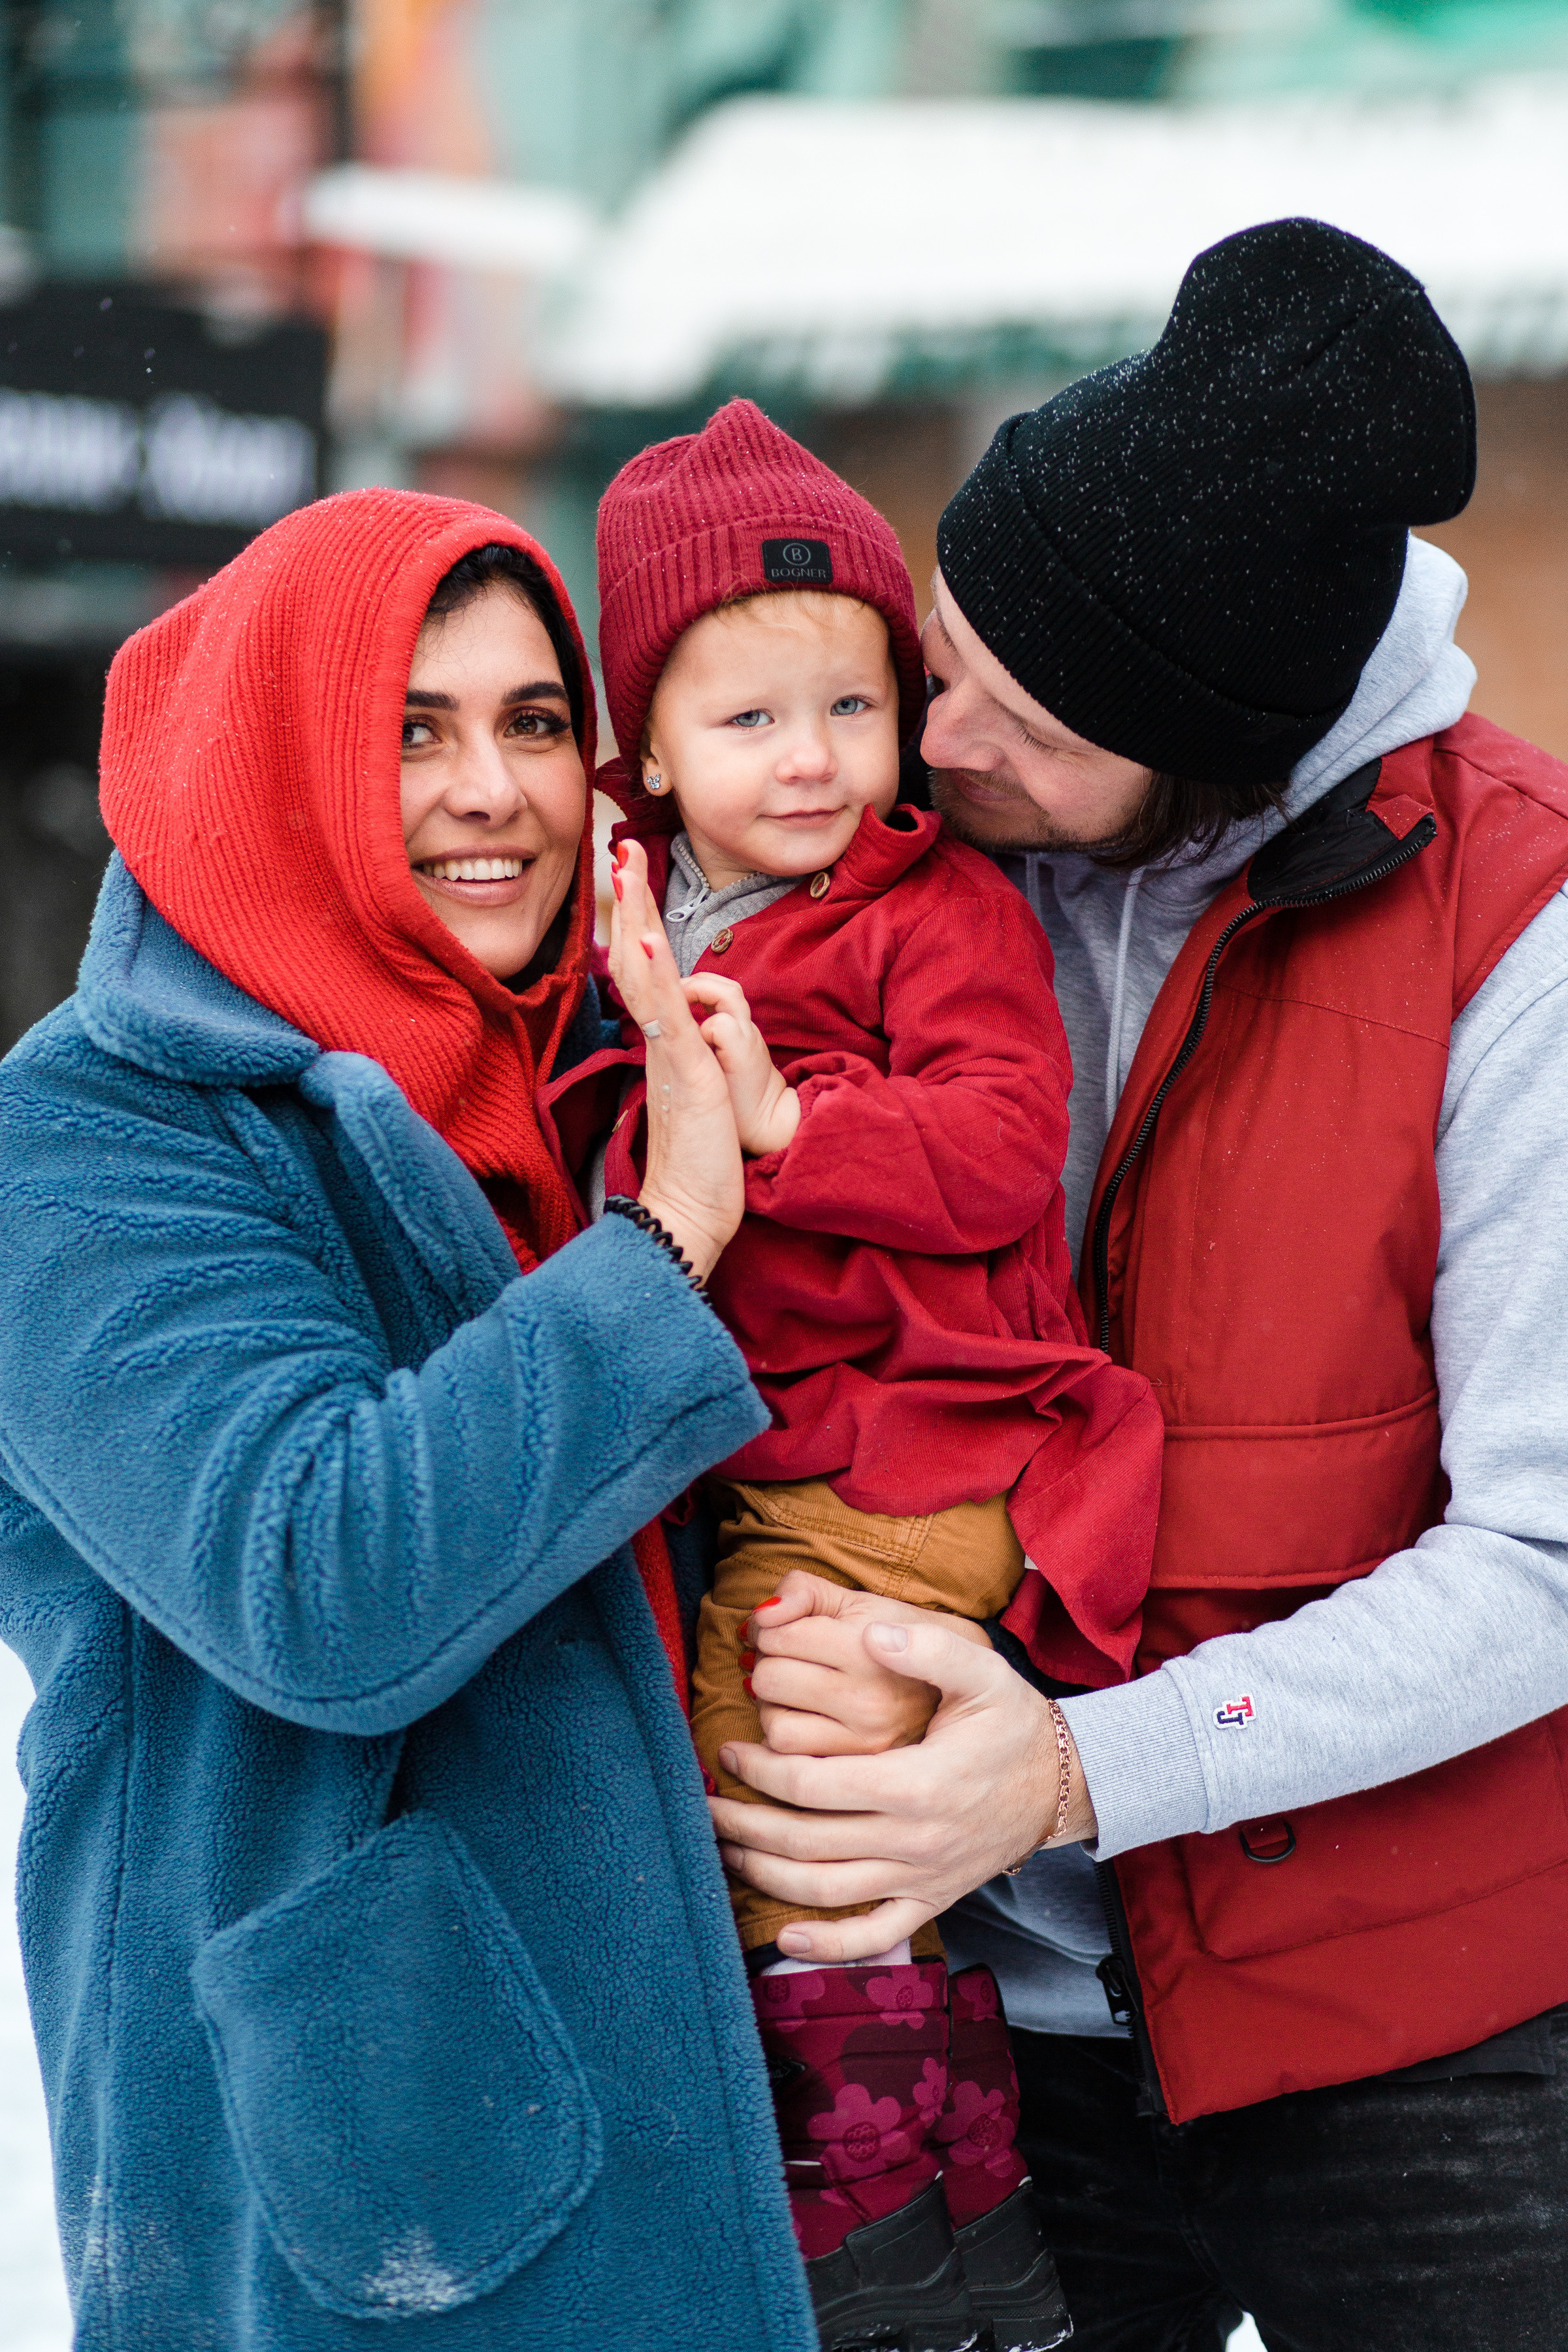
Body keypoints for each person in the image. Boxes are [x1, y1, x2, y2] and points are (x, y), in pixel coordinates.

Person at [711, 220, 1568, 2349]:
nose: (937, 730)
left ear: (1214, 744)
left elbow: (1547, 1558)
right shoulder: (896, 866)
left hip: (1417, 2030)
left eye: (1032, 716)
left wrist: (1079, 1771)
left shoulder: (1521, 929)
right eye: (942, 640)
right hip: (978, 2021)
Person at [0, 489, 820, 2352]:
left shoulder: (581, 1068)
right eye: (410, 730)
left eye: (537, 724)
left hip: (715, 2082)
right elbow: (320, 1579)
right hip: (374, 2175)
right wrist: (668, 1239)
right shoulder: (87, 1132)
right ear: (276, 758)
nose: (494, 791)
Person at [552, 399, 1163, 2351]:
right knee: (821, 1853)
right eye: (748, 723)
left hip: (913, 1462)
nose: (814, 761)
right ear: (643, 746)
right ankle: (969, 2234)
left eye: (854, 706)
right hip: (792, 1452)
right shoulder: (630, 912)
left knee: (778, 1827)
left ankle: (878, 2257)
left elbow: (999, 1146)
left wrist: (793, 1132)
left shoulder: (936, 913)